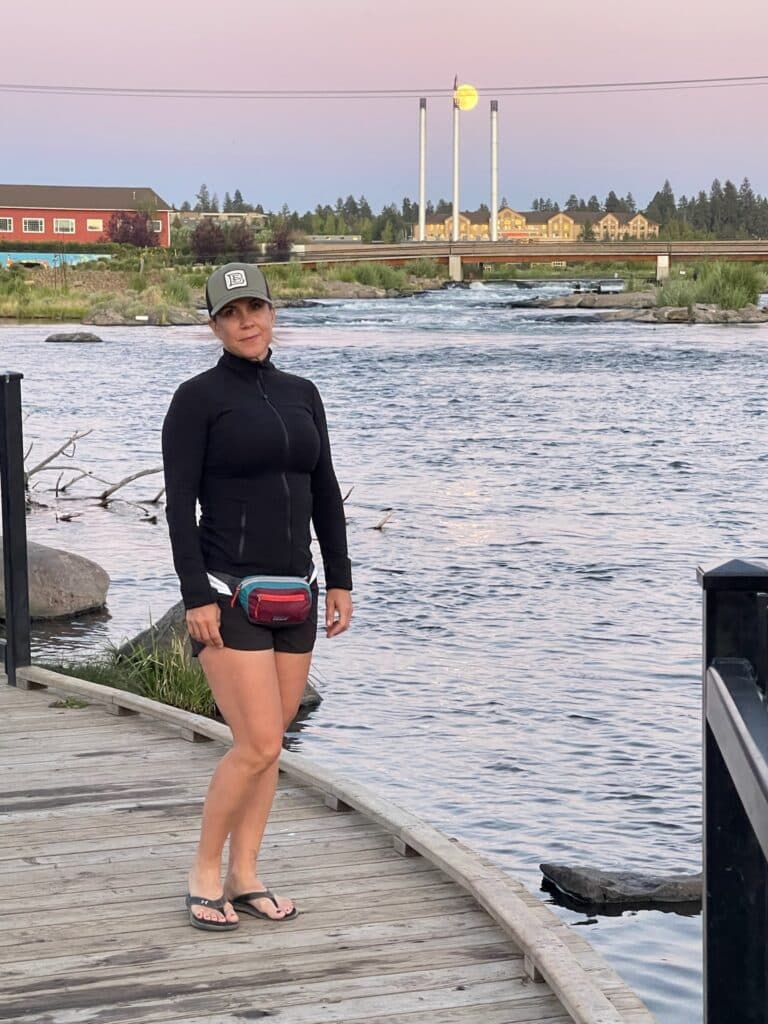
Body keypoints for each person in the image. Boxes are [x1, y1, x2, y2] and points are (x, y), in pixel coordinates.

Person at [162, 262, 353, 931]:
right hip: (228, 592)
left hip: (297, 594)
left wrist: (340, 581)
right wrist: (196, 597)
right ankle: (204, 872)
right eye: (231, 313)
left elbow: (324, 493)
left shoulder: (303, 392)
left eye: (256, 309)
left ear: (273, 314)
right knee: (257, 743)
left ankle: (246, 874)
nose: (247, 322)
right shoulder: (197, 399)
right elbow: (178, 506)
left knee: (272, 747)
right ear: (213, 324)